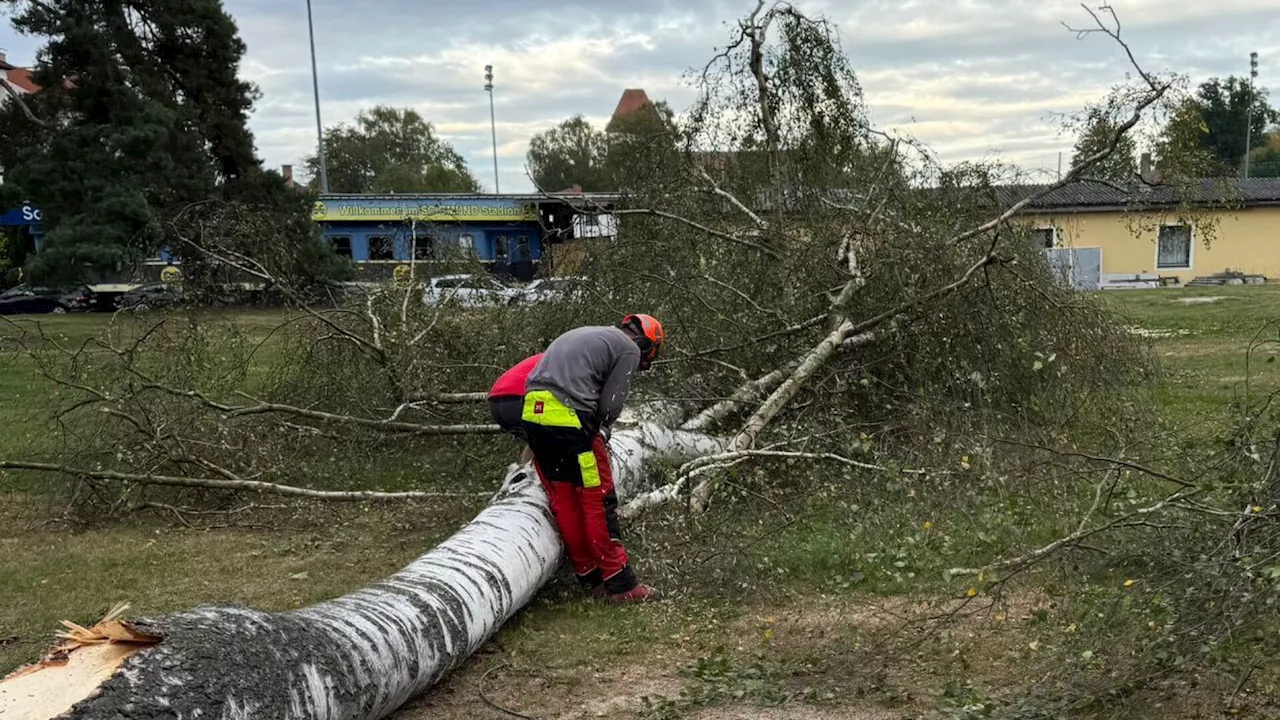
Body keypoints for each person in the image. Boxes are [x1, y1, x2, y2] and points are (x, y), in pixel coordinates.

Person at [521, 314, 665, 603]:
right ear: (648, 344)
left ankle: (590, 577)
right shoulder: (628, 348)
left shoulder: (587, 333)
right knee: (597, 498)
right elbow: (611, 402)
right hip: (570, 422)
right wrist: (602, 429)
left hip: (533, 416)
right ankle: (621, 583)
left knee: (564, 499)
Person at [488, 353, 543, 465]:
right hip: (519, 397)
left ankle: (524, 474)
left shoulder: (559, 354)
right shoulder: (575, 361)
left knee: (538, 441)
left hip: (496, 399)